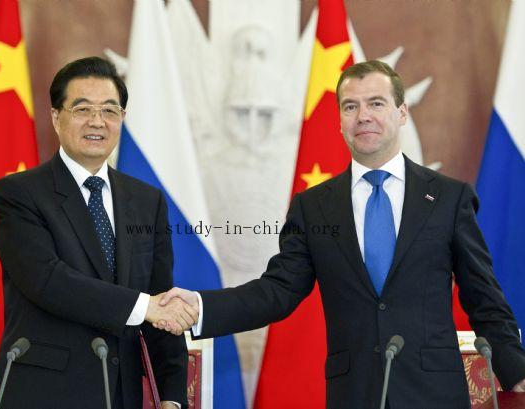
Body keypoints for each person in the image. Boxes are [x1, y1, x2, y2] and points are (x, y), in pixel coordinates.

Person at [158, 61, 525, 408]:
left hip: (434, 394)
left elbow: (483, 296)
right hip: (354, 393)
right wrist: (199, 306)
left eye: (376, 103)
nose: (363, 115)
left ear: (402, 112)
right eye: (350, 106)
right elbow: (277, 291)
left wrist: (517, 371)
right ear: (339, 121)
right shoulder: (314, 206)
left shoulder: (448, 197)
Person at [0, 57, 196, 409]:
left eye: (109, 110)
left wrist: (171, 396)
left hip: (122, 393)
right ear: (56, 117)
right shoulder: (20, 194)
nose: (97, 122)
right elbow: (48, 281)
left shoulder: (146, 201)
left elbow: (159, 296)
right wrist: (145, 306)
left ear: (122, 118)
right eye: (83, 109)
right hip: (46, 393)